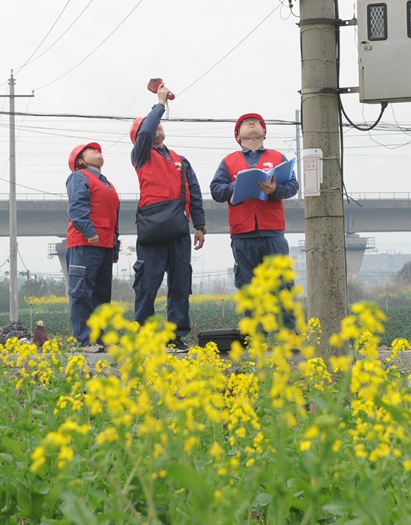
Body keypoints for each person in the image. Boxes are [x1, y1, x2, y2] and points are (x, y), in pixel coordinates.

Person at [130, 83, 206, 351]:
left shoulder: (180, 160)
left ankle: (175, 335)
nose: (156, 127)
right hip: (151, 230)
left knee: (180, 283)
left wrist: (200, 226)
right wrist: (159, 105)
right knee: (146, 285)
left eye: (160, 124)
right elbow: (147, 129)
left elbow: (193, 193)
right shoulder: (141, 155)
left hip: (177, 229)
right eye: (151, 126)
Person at [209, 113, 299, 329]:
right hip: (243, 233)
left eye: (256, 122)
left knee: (282, 284)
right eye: (245, 123)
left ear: (264, 133)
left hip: (273, 232)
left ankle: (290, 333)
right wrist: (236, 184)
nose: (251, 123)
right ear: (238, 136)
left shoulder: (278, 157)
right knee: (249, 286)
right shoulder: (228, 161)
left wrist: (276, 189)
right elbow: (216, 190)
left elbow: (293, 187)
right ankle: (255, 337)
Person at [66, 142, 120, 353]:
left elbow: (113, 217)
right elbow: (77, 208)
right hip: (85, 243)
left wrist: (114, 245)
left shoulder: (108, 184)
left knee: (101, 294)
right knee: (81, 292)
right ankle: (84, 340)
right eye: (91, 150)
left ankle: (99, 337)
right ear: (80, 161)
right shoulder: (79, 177)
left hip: (105, 245)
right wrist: (89, 231)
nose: (97, 150)